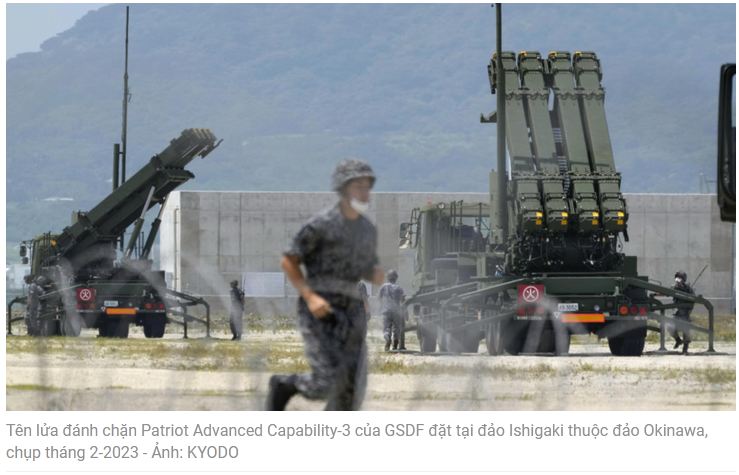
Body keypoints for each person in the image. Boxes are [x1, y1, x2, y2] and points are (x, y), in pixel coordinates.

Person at [266, 159, 384, 411]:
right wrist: (309, 297)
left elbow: (365, 267)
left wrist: (374, 274)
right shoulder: (321, 225)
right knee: (326, 382)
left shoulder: (367, 230)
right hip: (320, 309)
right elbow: (289, 261)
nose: (365, 193)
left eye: (367, 187)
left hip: (351, 311)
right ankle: (284, 385)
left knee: (353, 387)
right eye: (358, 186)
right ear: (343, 189)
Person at [378, 269, 405, 351]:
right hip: (396, 311)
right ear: (396, 278)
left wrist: (381, 305)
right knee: (396, 328)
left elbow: (379, 297)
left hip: (386, 311)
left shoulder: (383, 286)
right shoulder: (399, 288)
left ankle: (387, 339)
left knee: (386, 328)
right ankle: (395, 344)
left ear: (387, 277)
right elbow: (403, 300)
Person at [671, 270, 695, 354]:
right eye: (677, 278)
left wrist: (688, 311)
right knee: (671, 327)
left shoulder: (688, 289)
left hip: (685, 312)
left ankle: (685, 349)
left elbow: (693, 299)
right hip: (677, 312)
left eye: (680, 278)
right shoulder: (674, 287)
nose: (678, 280)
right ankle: (678, 340)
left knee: (686, 330)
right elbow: (668, 291)